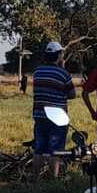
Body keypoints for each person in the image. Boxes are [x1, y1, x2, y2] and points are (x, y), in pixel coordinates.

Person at [31, 41, 75, 178]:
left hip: (39, 115)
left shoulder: (38, 71)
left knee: (39, 149)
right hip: (58, 118)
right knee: (54, 151)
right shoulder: (63, 74)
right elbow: (72, 94)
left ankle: (35, 178)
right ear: (59, 55)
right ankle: (53, 180)